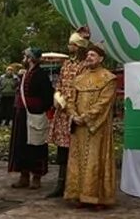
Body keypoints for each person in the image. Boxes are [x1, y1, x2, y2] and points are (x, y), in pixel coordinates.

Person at [64, 42, 117, 208]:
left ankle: (97, 197)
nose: (89, 57)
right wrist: (73, 115)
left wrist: (86, 117)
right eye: (88, 55)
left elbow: (104, 103)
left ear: (101, 58)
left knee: (96, 160)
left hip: (96, 127)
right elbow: (71, 99)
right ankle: (79, 195)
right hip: (79, 126)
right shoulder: (79, 78)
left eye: (92, 55)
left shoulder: (109, 78)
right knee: (78, 161)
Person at [45, 30, 88, 198]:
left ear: (78, 47)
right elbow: (60, 84)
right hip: (62, 112)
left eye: (72, 44)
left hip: (76, 112)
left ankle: (75, 184)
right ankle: (60, 183)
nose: (69, 47)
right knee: (62, 149)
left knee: (75, 149)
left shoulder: (84, 66)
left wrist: (72, 106)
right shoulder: (67, 64)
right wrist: (58, 98)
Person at [8, 48, 54, 189]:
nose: (24, 59)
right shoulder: (25, 74)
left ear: (31, 59)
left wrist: (39, 108)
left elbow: (47, 96)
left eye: (25, 57)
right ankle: (24, 175)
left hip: (35, 114)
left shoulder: (41, 75)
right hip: (22, 115)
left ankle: (37, 177)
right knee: (21, 145)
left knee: (36, 145)